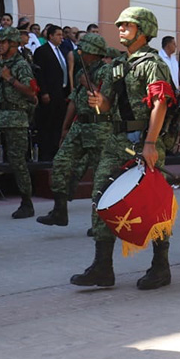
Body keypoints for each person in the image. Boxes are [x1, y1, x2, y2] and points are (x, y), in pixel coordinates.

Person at [70, 7, 175, 290]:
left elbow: (160, 103)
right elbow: (107, 105)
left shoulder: (153, 64)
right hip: (116, 140)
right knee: (100, 196)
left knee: (151, 202)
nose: (120, 29)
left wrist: (150, 143)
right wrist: (99, 101)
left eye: (127, 25)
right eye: (120, 25)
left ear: (143, 31)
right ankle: (102, 267)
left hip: (145, 139)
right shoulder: (117, 64)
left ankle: (161, 265)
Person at [38, 33, 113, 227]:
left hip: (99, 128)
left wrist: (88, 84)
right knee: (60, 163)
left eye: (84, 50)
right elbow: (73, 101)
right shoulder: (82, 71)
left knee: (100, 176)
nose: (80, 53)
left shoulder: (106, 71)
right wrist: (65, 128)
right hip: (79, 126)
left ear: (94, 52)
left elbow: (106, 100)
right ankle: (59, 211)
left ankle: (100, 223)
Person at [0, 26, 38, 218]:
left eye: (3, 42)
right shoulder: (0, 66)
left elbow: (31, 91)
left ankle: (27, 203)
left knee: (18, 162)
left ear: (13, 44)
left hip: (16, 117)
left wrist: (10, 79)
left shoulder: (21, 65)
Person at [32, 24, 70, 162]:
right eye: (58, 35)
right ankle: (46, 153)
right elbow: (40, 73)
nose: (61, 38)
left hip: (61, 92)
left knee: (58, 123)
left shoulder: (62, 51)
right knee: (47, 124)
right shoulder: (42, 51)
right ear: (50, 36)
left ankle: (55, 151)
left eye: (62, 35)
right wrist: (44, 92)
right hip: (49, 92)